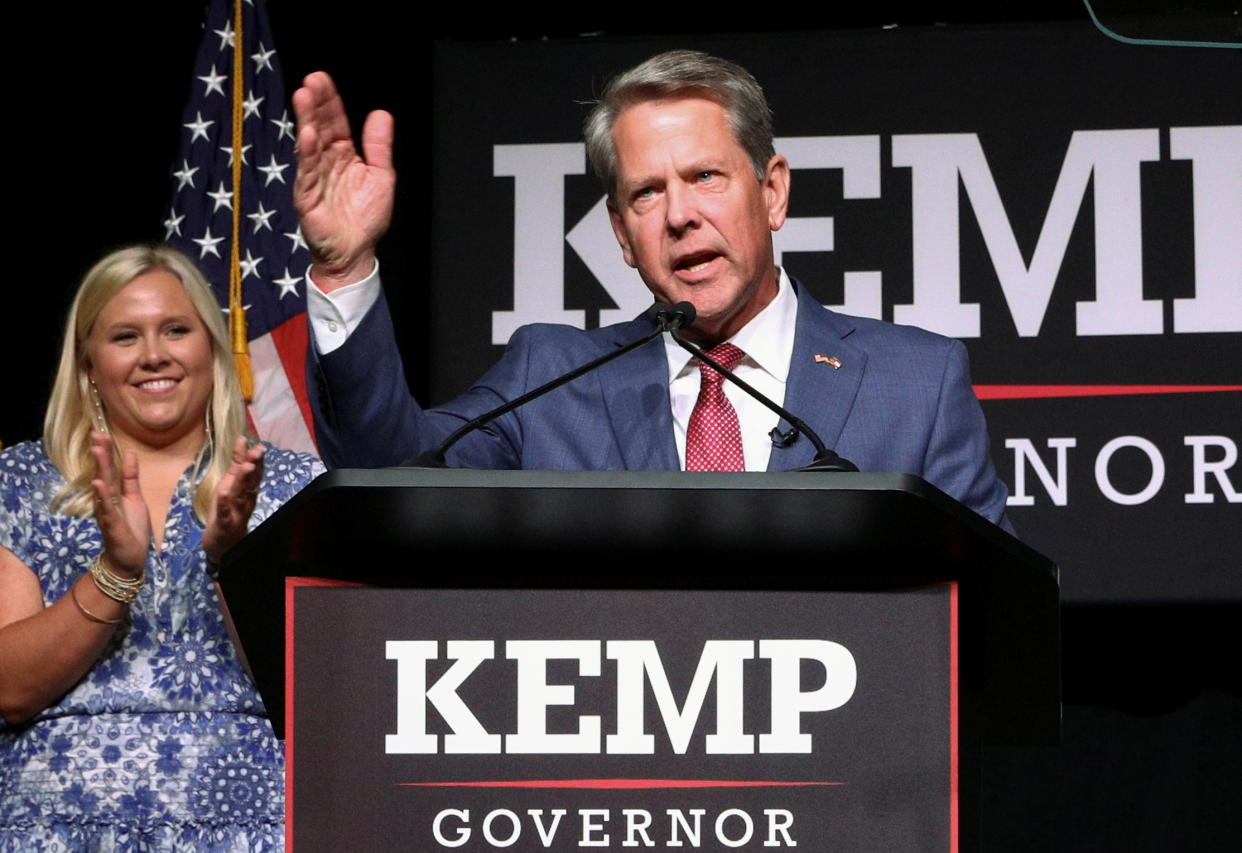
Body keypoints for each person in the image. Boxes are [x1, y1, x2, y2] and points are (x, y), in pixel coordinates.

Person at [292, 51, 1011, 529]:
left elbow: (989, 622)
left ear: (773, 192)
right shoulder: (550, 379)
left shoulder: (915, 383)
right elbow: (387, 474)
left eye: (706, 176)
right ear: (620, 233)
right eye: (645, 193)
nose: (679, 214)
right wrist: (347, 270)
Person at [0, 246, 322, 851]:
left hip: (246, 824)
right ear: (89, 363)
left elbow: (324, 693)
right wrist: (115, 571)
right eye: (125, 336)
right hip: (55, 827)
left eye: (176, 329)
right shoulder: (19, 483)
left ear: (212, 348)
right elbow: (9, 692)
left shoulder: (295, 486)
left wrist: (235, 560)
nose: (154, 354)